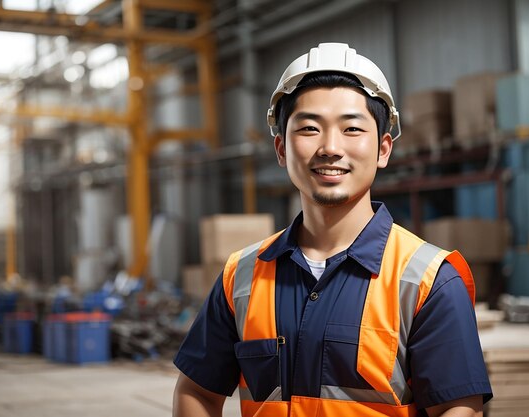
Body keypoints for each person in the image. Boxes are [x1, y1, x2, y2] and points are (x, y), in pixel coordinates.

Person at [173, 42, 492, 417]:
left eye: (352, 128)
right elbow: (196, 391)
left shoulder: (427, 281)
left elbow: (458, 409)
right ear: (280, 148)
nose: (330, 147)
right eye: (309, 128)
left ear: (383, 149)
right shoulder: (241, 276)